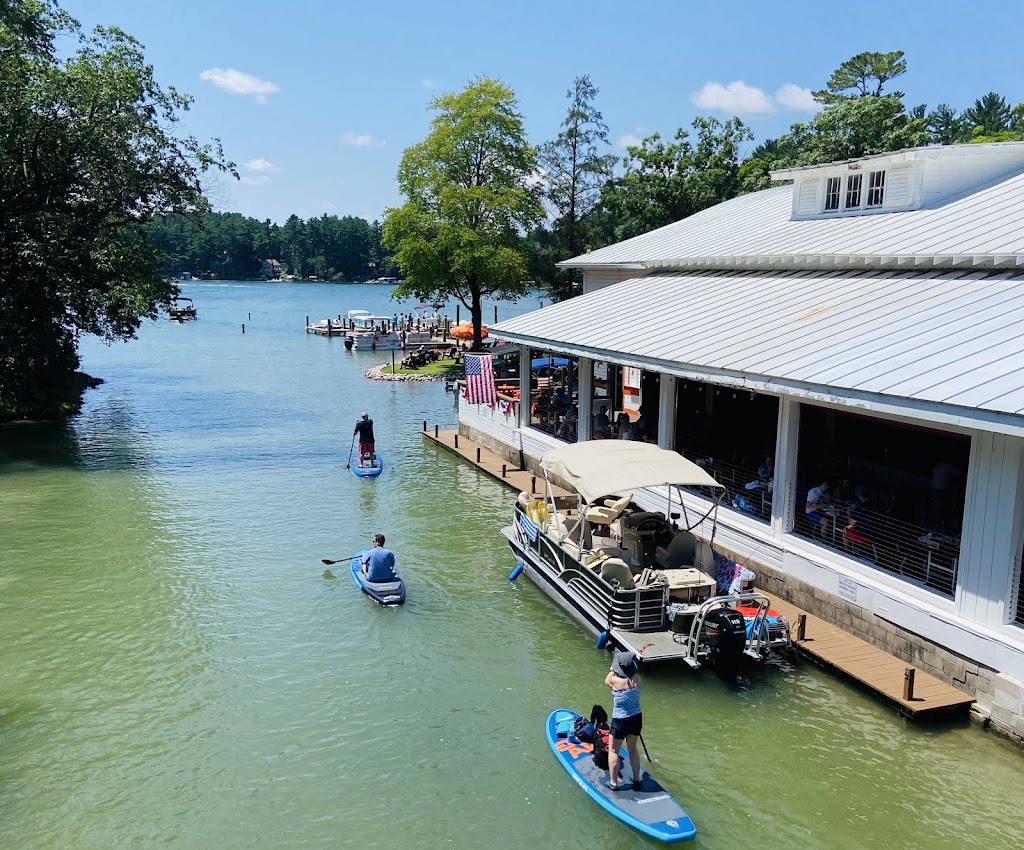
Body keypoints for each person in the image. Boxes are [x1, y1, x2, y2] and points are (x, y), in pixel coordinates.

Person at [604, 651, 643, 792]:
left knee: (614, 751)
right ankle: (637, 779)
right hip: (636, 718)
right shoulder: (637, 679)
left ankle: (613, 783)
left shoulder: (615, 681)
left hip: (620, 720)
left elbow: (607, 680)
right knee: (632, 749)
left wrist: (612, 669)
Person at [843, 486, 875, 553]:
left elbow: (852, 523)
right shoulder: (876, 505)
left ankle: (847, 552)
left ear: (860, 497)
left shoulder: (860, 507)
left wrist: (848, 513)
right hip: (876, 534)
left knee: (845, 530)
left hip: (865, 536)